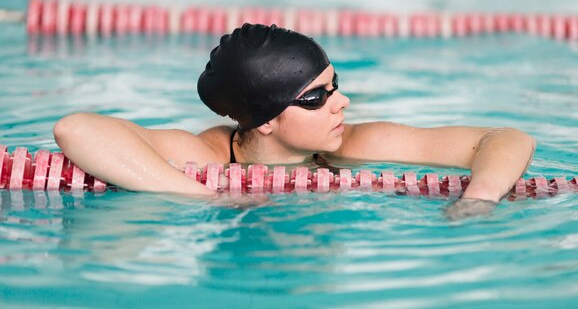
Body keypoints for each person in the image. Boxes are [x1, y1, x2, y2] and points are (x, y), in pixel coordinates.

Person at [53, 23, 535, 212]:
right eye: (317, 97)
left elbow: (505, 138)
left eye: (336, 85)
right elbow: (76, 129)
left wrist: (481, 198)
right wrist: (206, 196)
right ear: (265, 119)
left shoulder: (349, 146)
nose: (341, 102)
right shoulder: (207, 155)